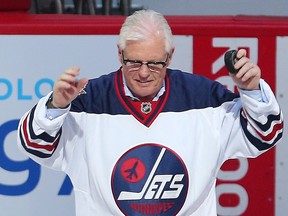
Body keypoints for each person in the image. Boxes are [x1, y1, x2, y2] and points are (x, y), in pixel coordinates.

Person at [17, 9, 283, 216]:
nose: (144, 73)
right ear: (120, 55)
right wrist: (56, 106)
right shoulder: (87, 101)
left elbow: (265, 134)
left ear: (169, 56)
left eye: (155, 63)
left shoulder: (204, 97)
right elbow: (34, 145)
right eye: (134, 62)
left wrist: (252, 91)